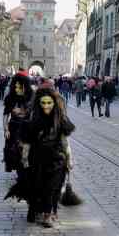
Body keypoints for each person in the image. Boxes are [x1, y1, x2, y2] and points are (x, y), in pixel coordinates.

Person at [21, 87, 75, 228]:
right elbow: (27, 142)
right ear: (39, 103)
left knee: (52, 188)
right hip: (37, 160)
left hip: (56, 160)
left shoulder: (59, 120)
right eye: (43, 103)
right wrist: (25, 159)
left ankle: (48, 214)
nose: (46, 106)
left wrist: (69, 159)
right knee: (38, 187)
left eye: (49, 103)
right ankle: (39, 210)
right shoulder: (33, 121)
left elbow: (65, 142)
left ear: (54, 103)